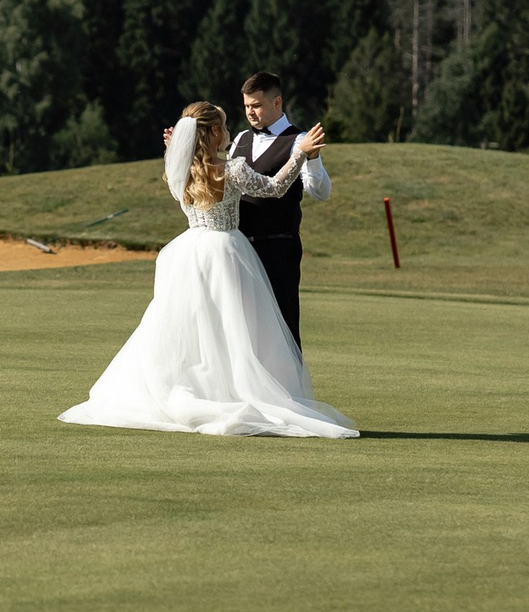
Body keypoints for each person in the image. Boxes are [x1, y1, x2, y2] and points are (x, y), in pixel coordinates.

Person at [58, 101, 357, 438]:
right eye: (225, 126)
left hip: (190, 251)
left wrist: (174, 150)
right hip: (226, 250)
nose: (228, 131)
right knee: (233, 327)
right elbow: (274, 188)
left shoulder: (181, 170)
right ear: (215, 132)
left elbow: (180, 185)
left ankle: (197, 388)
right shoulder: (233, 169)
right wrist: (299, 153)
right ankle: (230, 391)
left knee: (195, 326)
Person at [230, 70, 329, 348]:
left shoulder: (299, 140)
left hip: (279, 246)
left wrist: (312, 158)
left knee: (283, 324)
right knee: (243, 326)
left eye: (256, 105)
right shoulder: (240, 139)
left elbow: (320, 192)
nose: (250, 112)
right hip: (240, 247)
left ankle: (290, 377)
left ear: (276, 102)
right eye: (247, 106)